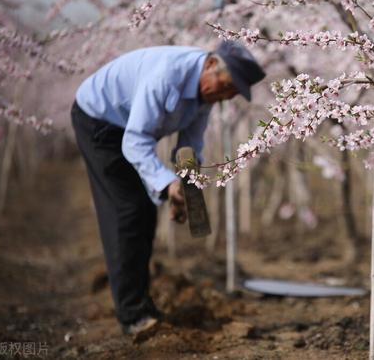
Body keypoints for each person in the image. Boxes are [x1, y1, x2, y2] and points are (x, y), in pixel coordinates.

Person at [70, 41, 265, 335]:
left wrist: (182, 192)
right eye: (225, 87)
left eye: (231, 94)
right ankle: (133, 316)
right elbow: (135, 142)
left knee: (145, 211)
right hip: (99, 122)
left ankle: (141, 306)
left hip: (126, 128)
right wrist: (166, 184)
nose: (224, 97)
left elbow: (189, 147)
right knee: (128, 211)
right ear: (211, 65)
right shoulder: (166, 77)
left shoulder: (204, 95)